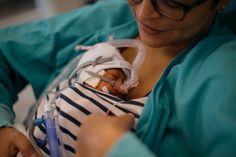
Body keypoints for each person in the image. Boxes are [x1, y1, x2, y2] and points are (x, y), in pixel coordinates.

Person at [0, 0, 236, 157]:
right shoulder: (115, 16)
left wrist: (114, 148)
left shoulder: (222, 76)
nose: (144, 13)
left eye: (172, 3)